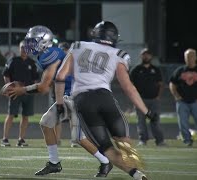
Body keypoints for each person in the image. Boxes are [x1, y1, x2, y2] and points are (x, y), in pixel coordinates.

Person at [7, 25, 112, 178]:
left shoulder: (50, 54)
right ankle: (54, 163)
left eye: (33, 41)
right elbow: (52, 82)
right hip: (67, 95)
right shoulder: (49, 53)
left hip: (79, 96)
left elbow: (44, 86)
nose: (29, 45)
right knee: (46, 123)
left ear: (44, 41)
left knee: (78, 138)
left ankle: (105, 161)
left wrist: (22, 90)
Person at [55, 21, 151, 180]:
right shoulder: (119, 54)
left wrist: (59, 104)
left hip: (84, 100)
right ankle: (137, 168)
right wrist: (146, 111)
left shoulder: (78, 46)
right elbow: (128, 87)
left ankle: (136, 174)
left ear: (96, 34)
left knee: (106, 148)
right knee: (124, 142)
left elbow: (60, 76)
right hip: (105, 98)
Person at [1, 40, 39, 147]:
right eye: (22, 47)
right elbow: (6, 74)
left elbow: (36, 79)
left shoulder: (32, 63)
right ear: (19, 48)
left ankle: (21, 139)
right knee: (11, 114)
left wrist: (34, 90)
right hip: (15, 92)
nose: (24, 50)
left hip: (27, 92)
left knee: (26, 116)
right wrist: (9, 87)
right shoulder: (13, 60)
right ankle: (5, 139)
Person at [169, 48, 197, 146]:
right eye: (187, 57)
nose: (189, 58)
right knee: (183, 123)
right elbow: (172, 83)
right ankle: (187, 140)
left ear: (195, 57)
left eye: (191, 56)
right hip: (182, 101)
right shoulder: (180, 70)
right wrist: (176, 96)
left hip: (196, 101)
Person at [130, 48, 166, 146]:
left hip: (154, 100)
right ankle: (143, 140)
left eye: (148, 54)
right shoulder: (136, 69)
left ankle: (160, 141)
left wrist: (158, 96)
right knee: (141, 121)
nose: (146, 56)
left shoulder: (156, 69)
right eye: (144, 54)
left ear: (151, 56)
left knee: (155, 120)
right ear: (141, 56)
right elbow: (130, 85)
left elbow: (161, 84)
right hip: (140, 100)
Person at [56, 42, 79, 148]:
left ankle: (74, 140)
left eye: (65, 50)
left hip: (71, 94)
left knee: (73, 119)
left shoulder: (73, 63)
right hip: (60, 94)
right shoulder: (57, 63)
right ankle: (57, 140)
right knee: (58, 118)